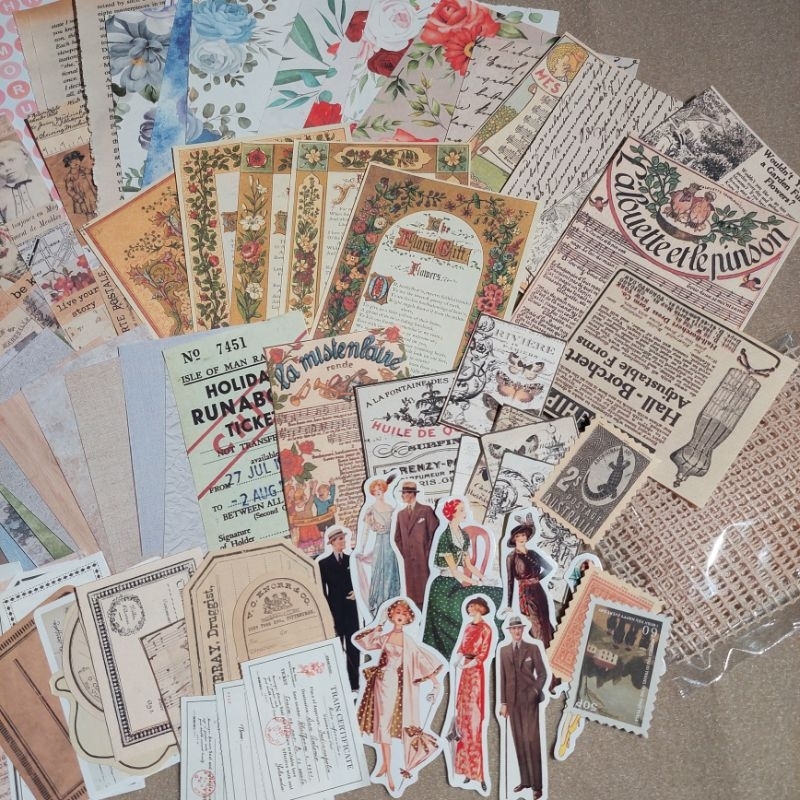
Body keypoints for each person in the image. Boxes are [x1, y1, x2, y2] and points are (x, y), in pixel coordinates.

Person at [354, 599, 443, 793]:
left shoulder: (408, 641)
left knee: (389, 722)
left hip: (395, 683)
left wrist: (435, 682)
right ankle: (386, 765)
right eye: (397, 612)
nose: (400, 615)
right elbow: (363, 642)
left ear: (408, 618)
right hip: (380, 682)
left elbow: (421, 660)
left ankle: (389, 769)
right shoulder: (385, 637)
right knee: (381, 723)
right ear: (391, 615)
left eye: (404, 613)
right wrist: (378, 624)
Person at [421, 498, 503, 660]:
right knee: (469, 601)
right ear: (452, 514)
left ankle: (496, 639)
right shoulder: (445, 536)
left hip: (456, 584)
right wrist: (475, 583)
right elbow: (454, 571)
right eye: (461, 510)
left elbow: (469, 565)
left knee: (496, 592)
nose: (465, 512)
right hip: (443, 589)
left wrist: (484, 579)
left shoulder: (463, 536)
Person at [498, 617, 548, 799]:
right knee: (518, 739)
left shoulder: (532, 648)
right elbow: (503, 678)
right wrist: (504, 703)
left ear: (523, 629)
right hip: (512, 702)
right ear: (510, 631)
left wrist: (534, 691)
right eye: (514, 629)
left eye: (519, 628)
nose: (517, 631)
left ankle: (537, 786)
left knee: (532, 740)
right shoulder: (503, 651)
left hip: (529, 700)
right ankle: (525, 781)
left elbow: (542, 674)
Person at [451, 596, 493, 791]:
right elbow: (461, 648)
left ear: (479, 608)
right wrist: (457, 661)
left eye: (472, 606)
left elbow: (483, 654)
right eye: (469, 606)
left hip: (475, 673)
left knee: (475, 723)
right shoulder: (468, 627)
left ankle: (479, 773)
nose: (469, 609)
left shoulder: (486, 629)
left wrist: (469, 664)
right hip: (465, 674)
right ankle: (467, 770)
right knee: (463, 722)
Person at [318, 526, 361, 691]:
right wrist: (327, 613)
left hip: (351, 610)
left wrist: (356, 593)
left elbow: (360, 581)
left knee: (352, 646)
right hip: (334, 612)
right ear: (333, 542)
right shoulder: (323, 564)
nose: (344, 541)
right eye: (341, 539)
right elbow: (322, 591)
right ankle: (336, 683)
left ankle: (355, 683)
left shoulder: (352, 560)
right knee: (335, 647)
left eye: (344, 538)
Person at [504, 521, 554, 648]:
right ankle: (540, 649)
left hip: (539, 590)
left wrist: (536, 579)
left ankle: (551, 646)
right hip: (526, 594)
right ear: (514, 539)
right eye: (518, 536)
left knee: (545, 619)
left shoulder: (533, 553)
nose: (521, 538)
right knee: (534, 621)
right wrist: (509, 604)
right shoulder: (511, 557)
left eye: (523, 535)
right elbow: (510, 581)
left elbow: (549, 568)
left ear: (527, 537)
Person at [357, 478, 401, 618]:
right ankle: (381, 604)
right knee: (380, 571)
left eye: (380, 490)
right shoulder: (371, 510)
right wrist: (361, 549)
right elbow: (365, 531)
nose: (378, 493)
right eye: (375, 491)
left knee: (392, 572)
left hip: (392, 545)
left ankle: (393, 603)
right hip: (380, 544)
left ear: (384, 491)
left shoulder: (392, 509)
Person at [393, 480, 438, 609]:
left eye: (404, 493)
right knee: (413, 595)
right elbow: (397, 538)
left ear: (411, 494)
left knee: (427, 591)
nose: (402, 496)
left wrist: (427, 552)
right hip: (409, 562)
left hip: (424, 559)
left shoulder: (426, 510)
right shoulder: (401, 515)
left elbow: (434, 533)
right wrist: (406, 552)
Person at [0, 139, 51, 222]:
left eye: (11, 160)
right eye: (0, 165)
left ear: (25, 158)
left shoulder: (43, 181)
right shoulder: (1, 194)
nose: (7, 168)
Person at [61, 150, 97, 217]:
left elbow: (93, 177)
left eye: (77, 159)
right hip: (82, 199)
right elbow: (70, 190)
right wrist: (79, 200)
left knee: (96, 211)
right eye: (72, 161)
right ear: (69, 164)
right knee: (88, 215)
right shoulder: (70, 177)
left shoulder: (84, 170)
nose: (75, 162)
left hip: (91, 195)